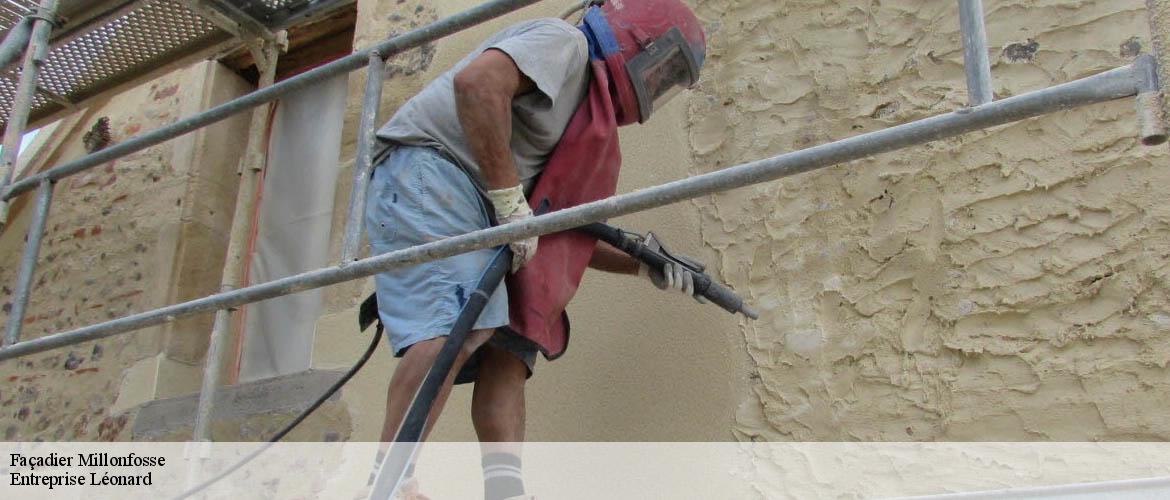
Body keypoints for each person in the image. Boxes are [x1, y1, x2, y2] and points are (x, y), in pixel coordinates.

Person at [364, 1, 707, 498]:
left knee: (512, 346)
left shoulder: (587, 118)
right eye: (666, 68)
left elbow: (567, 229)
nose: (659, 83)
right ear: (640, 41)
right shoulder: (565, 44)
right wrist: (510, 200)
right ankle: (389, 481)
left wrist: (645, 263)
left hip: (483, 205)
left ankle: (505, 491)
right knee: (454, 324)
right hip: (431, 170)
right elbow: (477, 84)